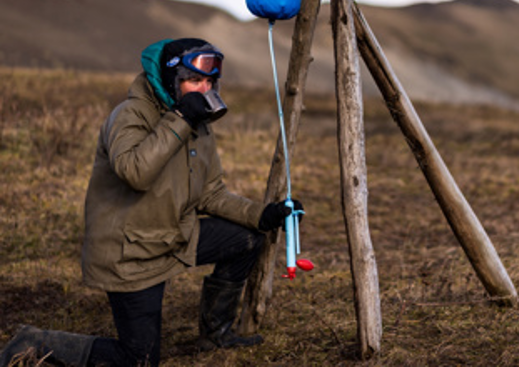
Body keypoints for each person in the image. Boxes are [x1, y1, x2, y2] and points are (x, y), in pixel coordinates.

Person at [0, 38, 301, 367]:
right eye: (194, 80)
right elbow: (136, 173)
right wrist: (180, 120)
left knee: (246, 239)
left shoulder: (196, 122)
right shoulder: (130, 115)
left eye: (210, 82)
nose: (205, 89)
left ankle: (216, 334)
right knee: (139, 361)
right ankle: (32, 341)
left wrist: (263, 215)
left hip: (173, 237)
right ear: (173, 80)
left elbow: (210, 193)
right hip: (131, 254)